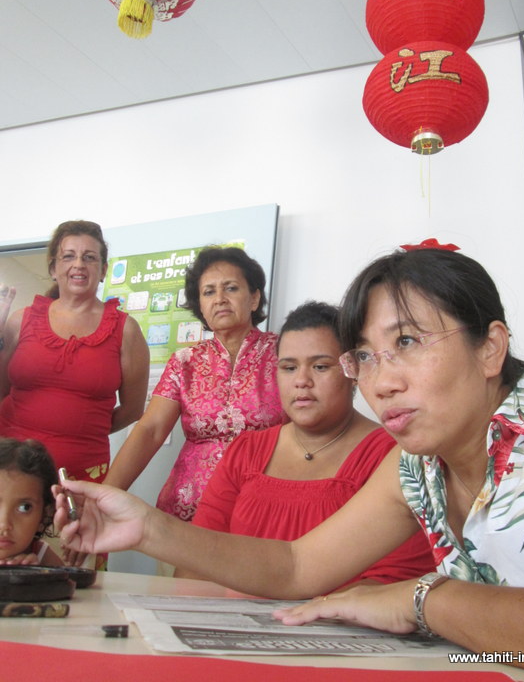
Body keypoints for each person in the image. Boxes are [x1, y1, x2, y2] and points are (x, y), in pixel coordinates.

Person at [54, 241, 524, 681]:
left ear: (490, 348)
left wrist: (422, 600)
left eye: (407, 341)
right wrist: (144, 526)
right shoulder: (418, 466)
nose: (381, 383)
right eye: (364, 355)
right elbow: (296, 566)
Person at [175, 300, 434, 586]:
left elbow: (396, 581)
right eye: (288, 368)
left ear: (353, 372)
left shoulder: (393, 456)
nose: (301, 381)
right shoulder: (245, 451)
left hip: (339, 625)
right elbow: (199, 560)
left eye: (320, 366)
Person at [104, 246, 284, 522]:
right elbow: (150, 430)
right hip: (187, 514)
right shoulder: (184, 361)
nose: (220, 299)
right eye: (209, 292)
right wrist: (105, 497)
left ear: (254, 298)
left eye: (231, 288)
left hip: (263, 511)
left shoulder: (284, 354)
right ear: (200, 304)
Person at [0, 220, 149, 487]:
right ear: (53, 268)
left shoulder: (126, 331)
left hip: (81, 477)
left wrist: (81, 431)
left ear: (103, 270)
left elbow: (132, 409)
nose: (78, 264)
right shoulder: (20, 320)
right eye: (68, 256)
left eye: (89, 257)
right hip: (10, 471)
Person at [0, 437, 63, 566]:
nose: (4, 524)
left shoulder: (40, 555)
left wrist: (37, 577)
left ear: (45, 515)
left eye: (25, 507)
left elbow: (69, 583)